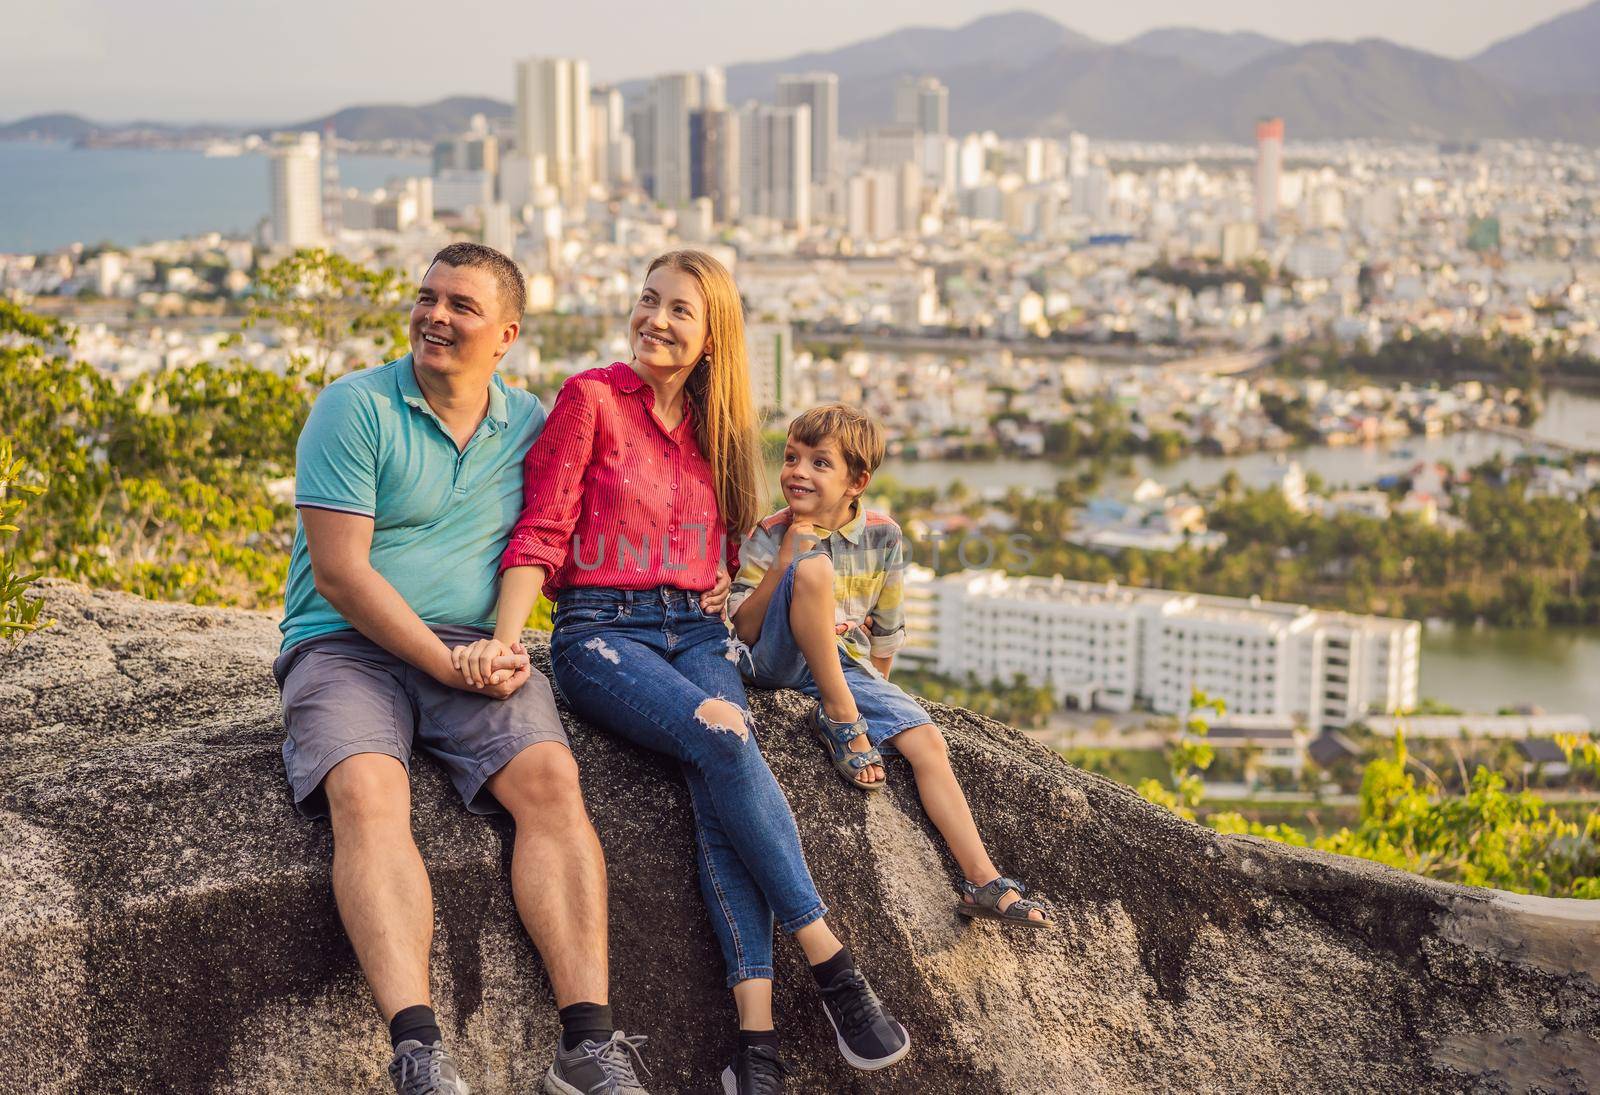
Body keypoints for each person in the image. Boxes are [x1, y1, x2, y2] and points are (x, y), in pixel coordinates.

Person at [453, 251, 910, 1095]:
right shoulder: (591, 398)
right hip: (602, 632)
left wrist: (739, 570)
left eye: (679, 311)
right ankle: (836, 968)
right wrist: (506, 639)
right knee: (728, 741)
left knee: (720, 785)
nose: (654, 319)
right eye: (647, 300)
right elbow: (542, 530)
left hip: (697, 635)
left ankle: (757, 1053)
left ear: (711, 338)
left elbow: (744, 538)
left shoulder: (721, 429)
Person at [275, 242, 655, 1095]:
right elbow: (340, 571)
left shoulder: (530, 424)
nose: (436, 316)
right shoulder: (355, 408)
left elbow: (612, 509)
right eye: (427, 297)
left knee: (553, 781)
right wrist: (445, 660)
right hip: (344, 644)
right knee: (369, 791)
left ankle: (587, 1046)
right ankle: (419, 1050)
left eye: (461, 306)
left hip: (475, 646)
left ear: (507, 333)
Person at [727, 403, 1054, 929]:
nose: (798, 472)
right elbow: (743, 628)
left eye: (819, 463)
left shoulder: (884, 536)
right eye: (792, 458)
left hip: (844, 664)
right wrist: (788, 557)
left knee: (926, 740)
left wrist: (879, 700)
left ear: (857, 480)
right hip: (775, 657)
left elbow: (884, 630)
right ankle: (838, 718)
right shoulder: (772, 531)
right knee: (813, 571)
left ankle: (983, 880)